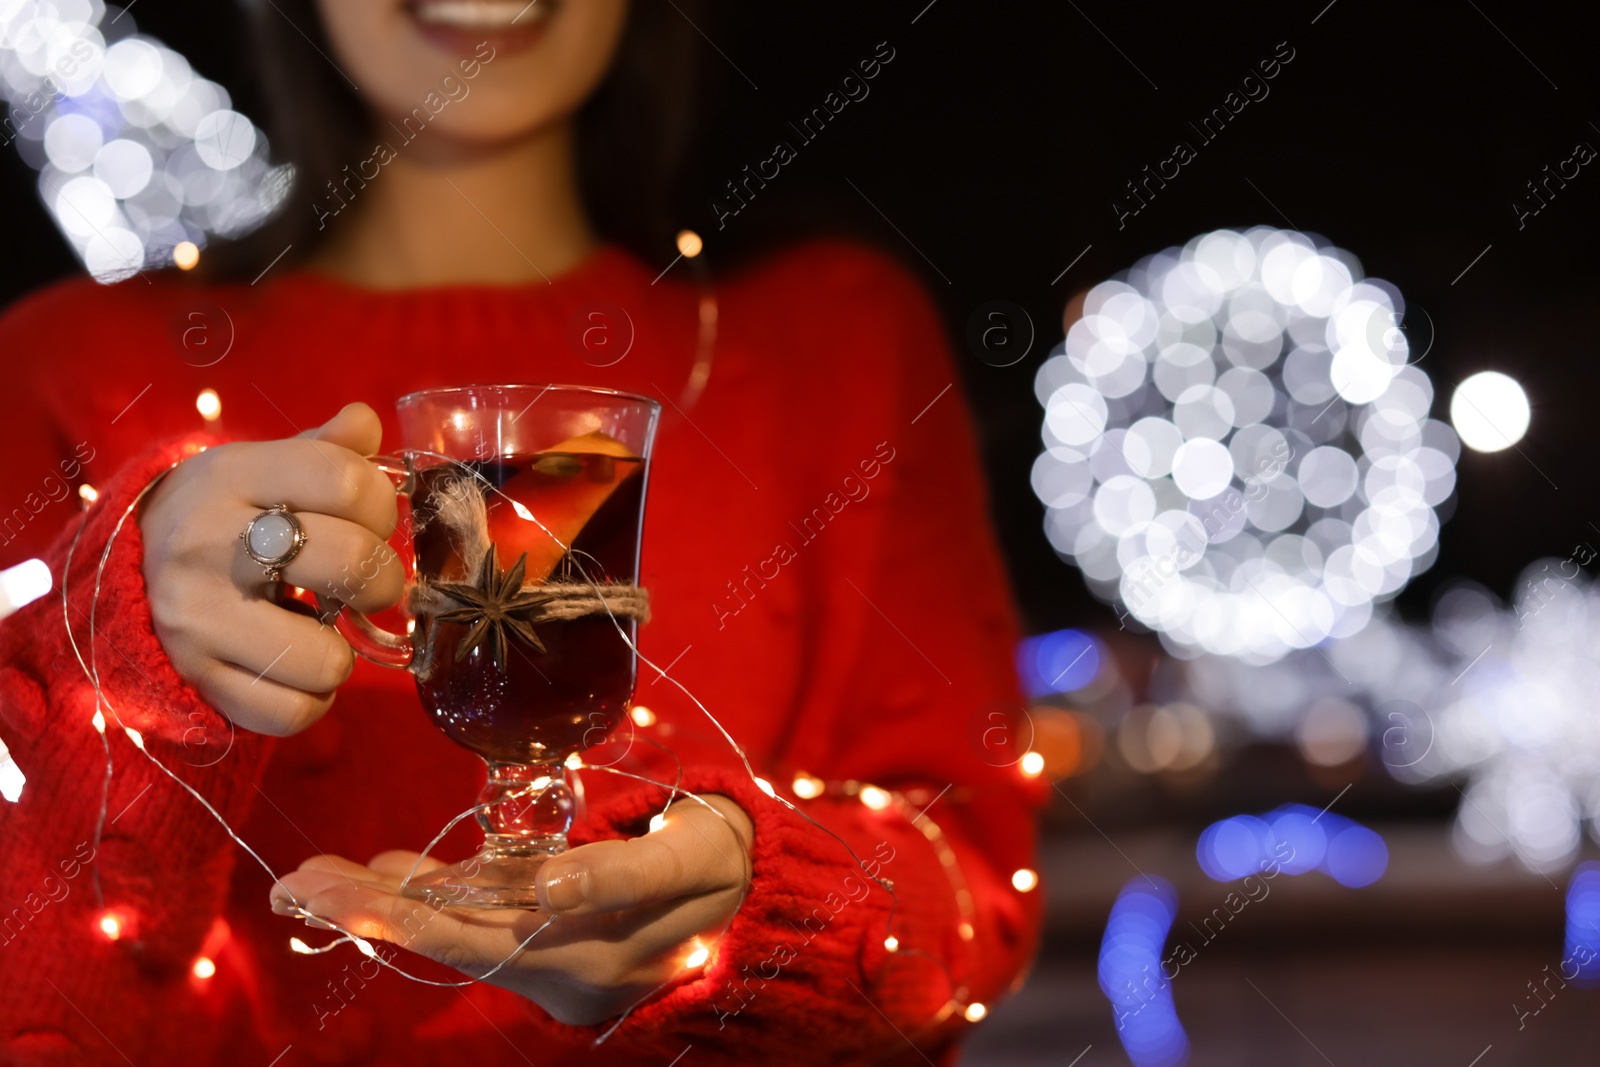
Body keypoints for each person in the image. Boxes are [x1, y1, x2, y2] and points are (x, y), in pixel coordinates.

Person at [0, 1, 1042, 1062]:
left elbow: (972, 887)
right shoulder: (62, 368)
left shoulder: (835, 338)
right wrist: (117, 656)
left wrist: (759, 913)